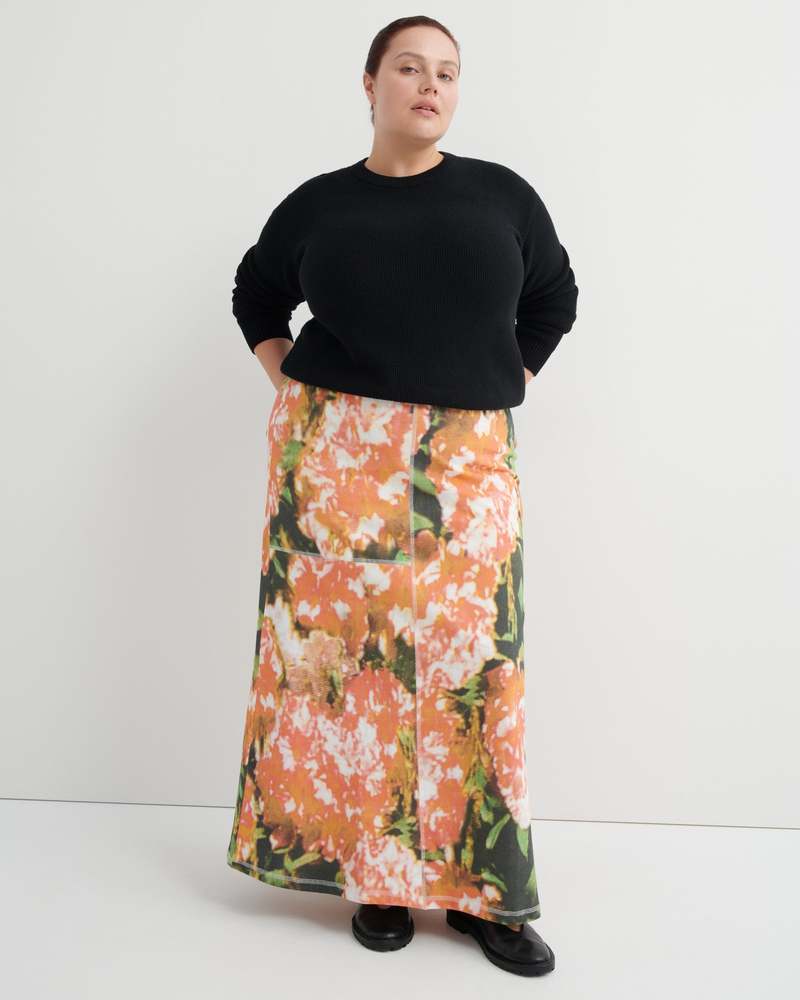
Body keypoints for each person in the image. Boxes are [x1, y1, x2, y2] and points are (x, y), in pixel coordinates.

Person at [225, 16, 578, 978]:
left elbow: (554, 298)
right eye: (411, 68)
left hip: (468, 464)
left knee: (477, 670)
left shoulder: (503, 196)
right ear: (370, 83)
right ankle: (376, 877)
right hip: (338, 462)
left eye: (448, 73)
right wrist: (290, 385)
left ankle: (484, 896)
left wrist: (506, 379)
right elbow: (256, 292)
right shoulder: (319, 204)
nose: (431, 85)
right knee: (359, 666)